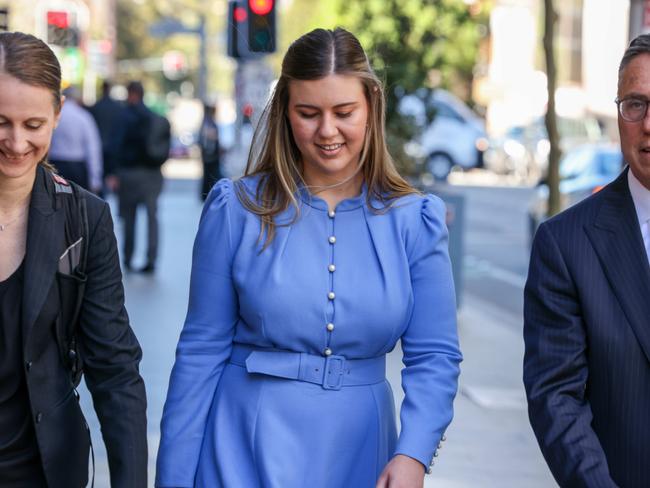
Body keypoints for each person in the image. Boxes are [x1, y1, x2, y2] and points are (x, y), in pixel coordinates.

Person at [156, 28, 461, 488]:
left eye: (344, 112)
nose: (327, 131)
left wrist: (414, 454)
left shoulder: (415, 220)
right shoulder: (235, 209)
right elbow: (200, 352)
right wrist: (173, 479)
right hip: (239, 449)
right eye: (308, 113)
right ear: (284, 112)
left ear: (371, 106)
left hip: (364, 453)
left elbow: (435, 355)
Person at [0, 32, 147, 487]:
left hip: (41, 470)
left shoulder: (85, 218)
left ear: (58, 115)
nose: (17, 142)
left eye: (34, 124)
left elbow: (114, 367)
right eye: (1, 122)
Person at [524, 33, 650, 488]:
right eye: (635, 104)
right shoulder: (565, 244)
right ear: (618, 113)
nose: (649, 122)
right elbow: (557, 398)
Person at [113, 81, 164, 273]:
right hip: (152, 174)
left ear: (131, 94)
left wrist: (113, 172)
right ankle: (151, 258)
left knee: (129, 218)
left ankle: (128, 257)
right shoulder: (153, 117)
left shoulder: (124, 116)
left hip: (129, 173)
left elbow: (116, 145)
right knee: (152, 217)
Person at [49, 86, 103, 194]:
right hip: (77, 167)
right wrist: (95, 179)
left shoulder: (54, 115)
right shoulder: (84, 117)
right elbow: (92, 148)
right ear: (78, 98)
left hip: (55, 164)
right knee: (77, 205)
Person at [88, 80, 125, 192]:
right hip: (113, 147)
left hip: (98, 146)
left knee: (100, 178)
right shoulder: (117, 108)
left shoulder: (95, 107)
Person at [198, 102, 222, 200]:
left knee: (209, 176)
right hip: (210, 155)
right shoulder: (208, 122)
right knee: (211, 176)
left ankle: (206, 194)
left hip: (209, 154)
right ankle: (207, 194)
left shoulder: (207, 121)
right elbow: (209, 135)